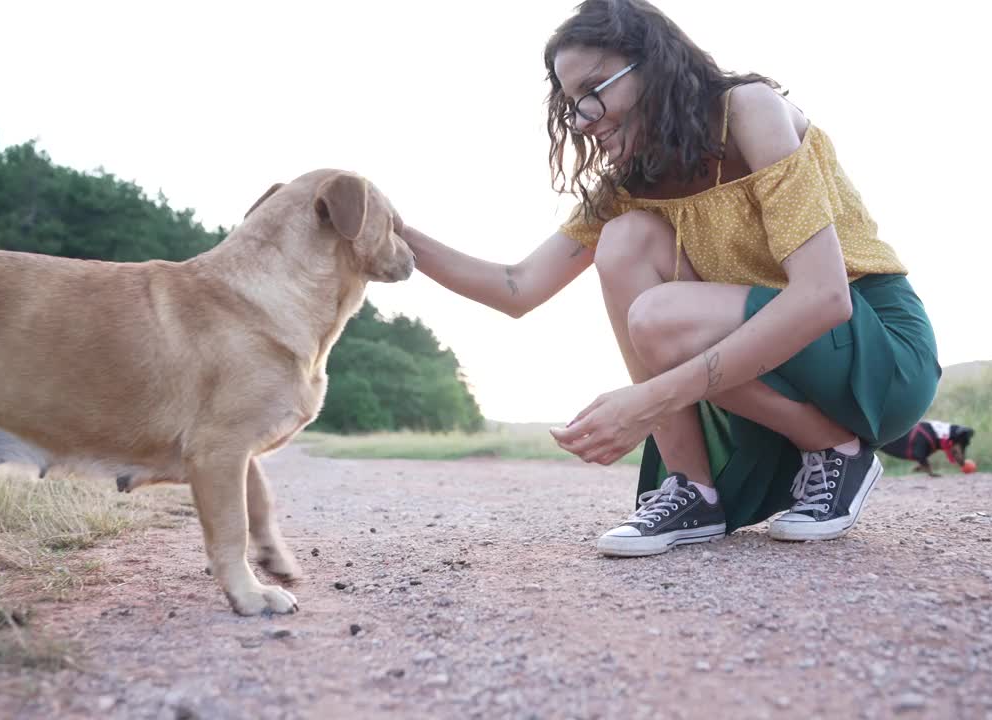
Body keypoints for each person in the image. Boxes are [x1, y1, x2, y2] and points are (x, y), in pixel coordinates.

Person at [397, 0, 940, 557]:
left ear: (653, 65)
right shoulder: (631, 183)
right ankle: (691, 489)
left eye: (594, 89)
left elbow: (825, 298)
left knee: (658, 318)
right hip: (778, 369)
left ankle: (838, 453)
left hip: (876, 353)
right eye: (571, 104)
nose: (583, 118)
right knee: (625, 239)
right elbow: (518, 287)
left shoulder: (751, 112)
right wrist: (394, 233)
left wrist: (647, 400)